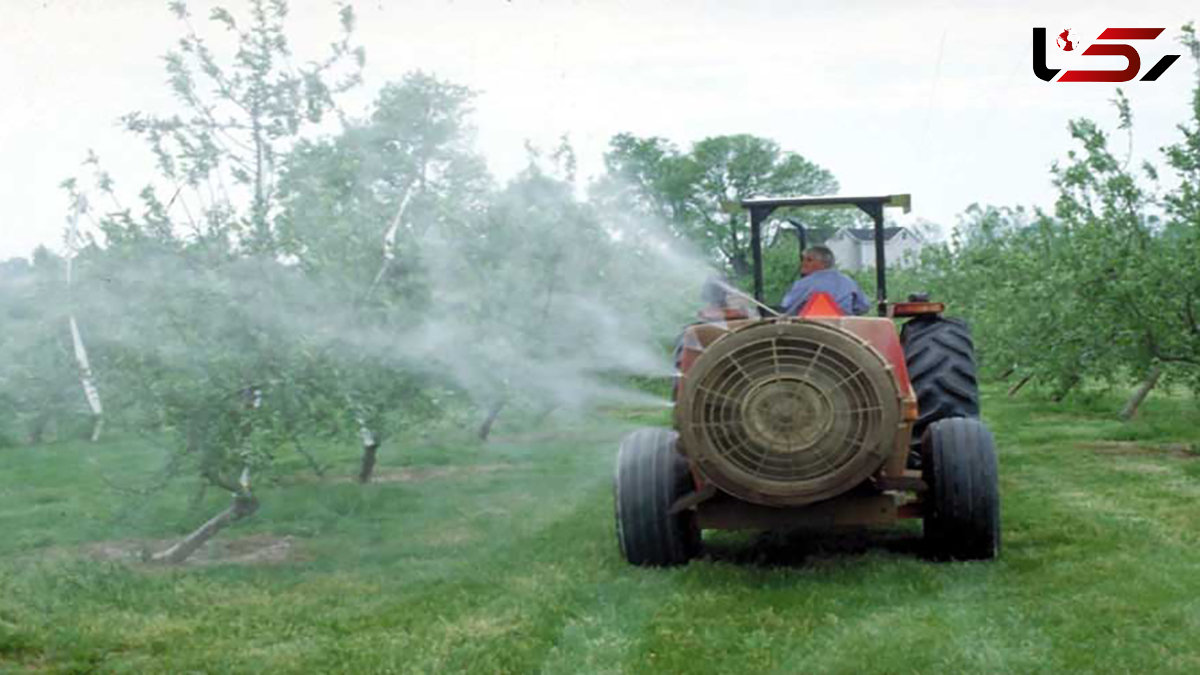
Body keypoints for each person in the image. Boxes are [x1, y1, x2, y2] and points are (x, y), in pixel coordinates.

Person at [780, 246, 870, 315]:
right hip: (843, 332)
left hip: (810, 331)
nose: (803, 263)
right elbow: (864, 306)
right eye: (803, 260)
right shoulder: (849, 282)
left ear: (824, 263)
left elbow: (786, 308)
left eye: (809, 260)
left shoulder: (804, 283)